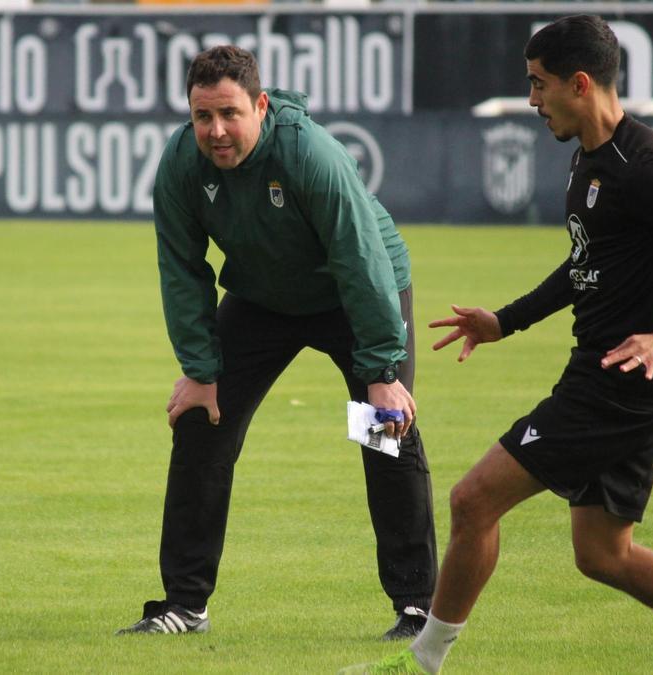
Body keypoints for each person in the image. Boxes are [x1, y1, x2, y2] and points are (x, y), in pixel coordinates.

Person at [342, 14, 653, 675]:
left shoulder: (645, 166)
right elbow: (585, 262)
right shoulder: (588, 157)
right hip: (608, 374)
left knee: (473, 499)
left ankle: (424, 661)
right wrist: (505, 320)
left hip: (616, 384)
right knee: (603, 554)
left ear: (579, 83)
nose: (531, 100)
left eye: (538, 85)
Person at [115, 45, 437, 640]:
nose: (216, 131)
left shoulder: (308, 153)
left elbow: (360, 261)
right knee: (201, 419)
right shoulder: (182, 165)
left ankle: (418, 607)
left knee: (381, 433)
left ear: (260, 105)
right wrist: (200, 369)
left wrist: (383, 370)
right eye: (202, 116)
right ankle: (185, 604)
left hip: (355, 295)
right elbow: (182, 270)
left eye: (230, 114)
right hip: (265, 298)